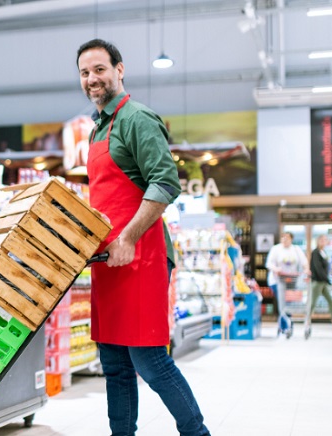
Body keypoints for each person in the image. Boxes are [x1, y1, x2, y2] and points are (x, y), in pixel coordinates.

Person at [77, 38, 210, 436]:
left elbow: (166, 182)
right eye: (84, 72)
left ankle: (197, 432)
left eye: (99, 69)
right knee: (114, 365)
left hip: (141, 254)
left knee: (149, 360)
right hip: (108, 262)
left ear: (119, 70)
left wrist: (128, 238)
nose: (92, 78)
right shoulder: (96, 130)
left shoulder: (137, 118)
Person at [265, 232, 309, 338]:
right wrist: (276, 269)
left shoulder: (296, 249)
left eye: (287, 238)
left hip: (292, 281)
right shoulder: (276, 249)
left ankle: (287, 324)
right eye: (283, 238)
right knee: (282, 304)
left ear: (291, 239)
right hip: (277, 281)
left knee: (289, 304)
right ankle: (285, 326)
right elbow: (269, 263)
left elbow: (304, 262)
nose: (285, 240)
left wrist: (306, 270)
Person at [305, 234, 332, 338]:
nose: (323, 242)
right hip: (317, 282)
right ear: (318, 241)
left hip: (323, 282)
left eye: (325, 240)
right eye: (321, 240)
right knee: (312, 303)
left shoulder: (323, 252)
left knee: (331, 301)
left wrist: (327, 280)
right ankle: (307, 322)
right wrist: (327, 279)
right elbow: (318, 268)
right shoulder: (315, 253)